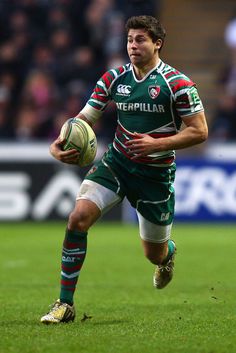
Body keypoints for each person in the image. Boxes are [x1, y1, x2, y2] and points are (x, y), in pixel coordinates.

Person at [41, 15, 208, 324]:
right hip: (116, 164)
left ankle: (167, 254)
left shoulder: (178, 84)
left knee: (153, 254)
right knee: (78, 218)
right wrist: (60, 141)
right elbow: (84, 119)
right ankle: (65, 304)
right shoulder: (114, 78)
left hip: (155, 176)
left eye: (140, 40)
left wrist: (157, 144)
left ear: (157, 43)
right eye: (130, 40)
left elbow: (199, 131)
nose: (133, 45)